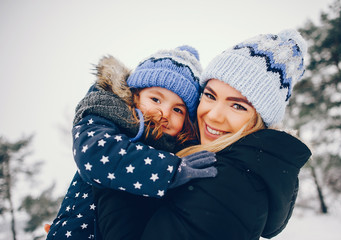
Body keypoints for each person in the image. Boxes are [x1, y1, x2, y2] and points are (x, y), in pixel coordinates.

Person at [135, 29, 312, 240]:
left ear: (260, 120)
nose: (214, 116)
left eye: (237, 106)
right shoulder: (205, 156)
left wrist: (113, 166)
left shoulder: (226, 183)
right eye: (210, 96)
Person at [45, 46, 217, 240]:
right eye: (155, 99)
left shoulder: (179, 152)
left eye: (178, 110)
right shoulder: (108, 115)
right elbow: (96, 154)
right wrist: (170, 170)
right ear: (135, 95)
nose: (164, 114)